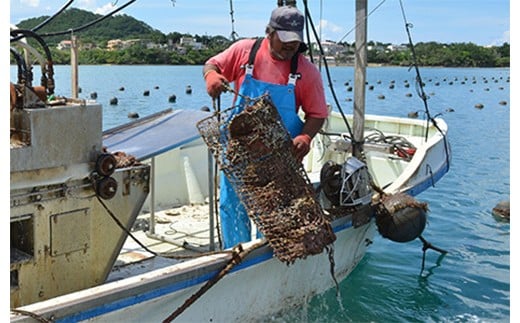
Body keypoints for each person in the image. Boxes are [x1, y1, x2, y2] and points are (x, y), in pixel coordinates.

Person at [203, 5, 329, 249]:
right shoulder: (244, 51)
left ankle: (267, 255)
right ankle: (235, 251)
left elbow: (317, 114)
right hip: (238, 153)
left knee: (273, 209)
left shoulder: (306, 71)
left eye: (294, 44)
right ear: (269, 32)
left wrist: (305, 136)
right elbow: (212, 64)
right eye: (284, 43)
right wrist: (211, 76)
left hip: (280, 157)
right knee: (232, 204)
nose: (289, 49)